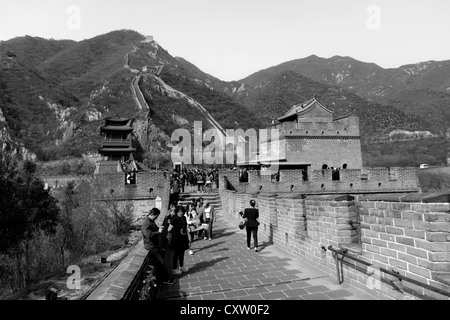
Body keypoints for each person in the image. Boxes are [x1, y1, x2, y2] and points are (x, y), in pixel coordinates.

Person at [141, 208, 175, 285]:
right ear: (153, 214)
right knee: (160, 262)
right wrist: (158, 232)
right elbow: (148, 235)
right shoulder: (146, 223)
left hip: (154, 245)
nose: (157, 218)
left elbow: (152, 231)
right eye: (156, 216)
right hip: (151, 246)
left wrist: (158, 229)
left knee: (158, 263)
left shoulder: (150, 221)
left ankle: (162, 278)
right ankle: (166, 279)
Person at [168, 206, 190, 275]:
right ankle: (174, 268)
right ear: (177, 212)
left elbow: (185, 227)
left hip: (183, 238)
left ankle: (181, 266)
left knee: (182, 253)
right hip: (176, 239)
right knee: (176, 254)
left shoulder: (183, 218)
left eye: (182, 212)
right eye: (179, 211)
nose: (181, 213)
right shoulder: (174, 219)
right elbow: (169, 229)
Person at [161, 203, 176, 276]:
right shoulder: (169, 220)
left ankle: (171, 271)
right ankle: (169, 273)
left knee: (169, 257)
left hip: (168, 240)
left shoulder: (167, 220)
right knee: (168, 258)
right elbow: (169, 230)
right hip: (168, 240)